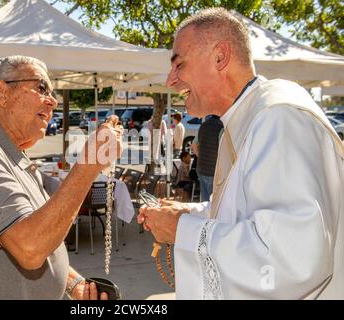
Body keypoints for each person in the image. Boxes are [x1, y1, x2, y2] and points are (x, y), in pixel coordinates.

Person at [138, 8, 343, 299]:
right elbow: (244, 212)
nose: (171, 80)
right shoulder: (246, 119)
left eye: (179, 64)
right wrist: (189, 212)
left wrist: (180, 229)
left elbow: (291, 259)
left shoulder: (278, 118)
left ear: (220, 57)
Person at [0, 55, 123, 300]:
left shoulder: (7, 153)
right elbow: (29, 247)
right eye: (41, 88)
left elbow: (36, 233)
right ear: (2, 92)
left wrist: (72, 283)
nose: (52, 101)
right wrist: (88, 164)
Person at [190, 115, 223, 202]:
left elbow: (193, 146)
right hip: (214, 170)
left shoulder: (203, 126)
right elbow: (222, 150)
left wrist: (201, 156)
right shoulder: (221, 127)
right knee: (213, 205)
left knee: (205, 203)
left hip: (201, 168)